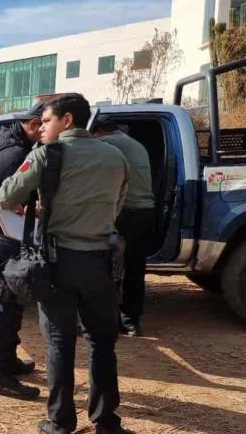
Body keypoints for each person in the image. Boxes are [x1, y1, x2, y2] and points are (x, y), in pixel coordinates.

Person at [0, 93, 133, 434]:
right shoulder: (116, 156)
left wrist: (42, 209)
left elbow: (4, 196)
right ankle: (106, 422)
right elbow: (116, 206)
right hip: (101, 263)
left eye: (46, 120)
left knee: (59, 343)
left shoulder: (47, 155)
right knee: (102, 343)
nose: (40, 127)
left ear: (67, 120)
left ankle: (60, 422)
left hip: (58, 264)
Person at [0, 101, 45, 400]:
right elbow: (14, 201)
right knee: (5, 303)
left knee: (10, 303)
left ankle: (7, 360)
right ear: (35, 124)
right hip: (2, 237)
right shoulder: (16, 154)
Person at [92, 117, 156, 337]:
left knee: (108, 268)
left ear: (98, 131)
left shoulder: (106, 144)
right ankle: (131, 322)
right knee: (135, 268)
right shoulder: (134, 143)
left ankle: (108, 320)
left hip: (123, 212)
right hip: (145, 211)